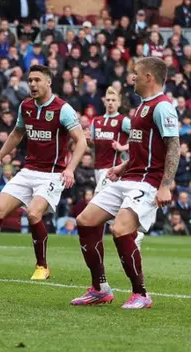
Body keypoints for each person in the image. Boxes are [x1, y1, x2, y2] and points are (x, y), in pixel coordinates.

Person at [0, 65, 87, 280]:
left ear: (48, 82)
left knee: (34, 213)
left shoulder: (63, 109)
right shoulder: (25, 106)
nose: (32, 84)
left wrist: (70, 169)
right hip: (28, 170)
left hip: (53, 174)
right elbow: (16, 134)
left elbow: (81, 141)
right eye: (30, 80)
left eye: (37, 80)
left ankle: (42, 266)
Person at [73, 57, 179, 309]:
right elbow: (142, 148)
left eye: (136, 73)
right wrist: (122, 166)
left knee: (120, 230)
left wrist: (166, 185)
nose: (132, 78)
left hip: (148, 182)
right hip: (129, 176)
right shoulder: (141, 107)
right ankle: (99, 289)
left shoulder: (163, 106)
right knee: (85, 221)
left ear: (148, 78)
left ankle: (141, 294)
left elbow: (173, 147)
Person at [87, 87, 131, 194]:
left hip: (112, 168)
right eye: (108, 100)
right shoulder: (96, 121)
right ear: (104, 102)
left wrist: (123, 147)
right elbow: (92, 145)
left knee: (99, 198)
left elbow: (141, 138)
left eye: (113, 100)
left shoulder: (123, 121)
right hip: (97, 167)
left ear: (119, 103)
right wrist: (88, 141)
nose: (110, 103)